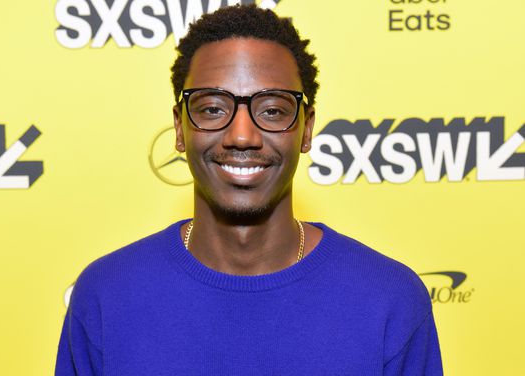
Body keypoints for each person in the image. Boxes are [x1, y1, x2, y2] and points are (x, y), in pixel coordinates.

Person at [55, 5, 443, 375]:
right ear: (179, 128)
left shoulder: (389, 299)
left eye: (272, 110)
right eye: (212, 109)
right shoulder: (107, 296)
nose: (242, 135)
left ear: (306, 129)